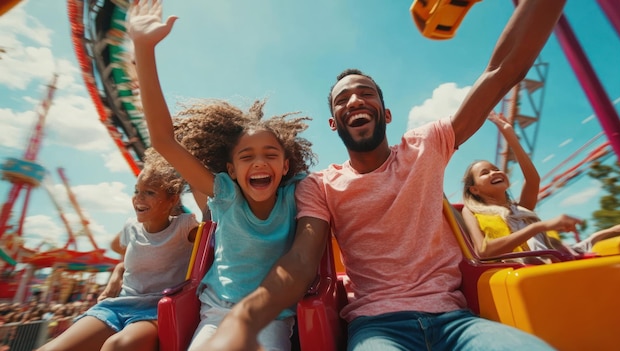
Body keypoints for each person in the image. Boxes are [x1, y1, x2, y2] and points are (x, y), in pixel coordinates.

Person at [199, 1, 568, 350]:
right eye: (343, 100)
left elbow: (504, 70)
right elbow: (300, 261)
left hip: (457, 321)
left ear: (386, 113)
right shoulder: (322, 186)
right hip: (378, 327)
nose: (355, 101)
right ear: (333, 123)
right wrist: (245, 319)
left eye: (366, 93)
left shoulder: (427, 145)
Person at [127, 2, 317, 350]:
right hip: (215, 313)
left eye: (270, 155)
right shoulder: (224, 192)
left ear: (286, 166)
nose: (259, 163)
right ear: (231, 169)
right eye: (247, 157)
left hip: (271, 317)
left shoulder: (297, 193)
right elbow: (163, 140)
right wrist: (143, 47)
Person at [37, 148, 199, 351]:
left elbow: (212, 243)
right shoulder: (130, 227)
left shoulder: (185, 227)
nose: (139, 198)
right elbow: (122, 251)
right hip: (119, 305)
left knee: (117, 346)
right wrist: (119, 271)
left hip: (156, 309)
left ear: (172, 200)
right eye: (136, 191)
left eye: (149, 193)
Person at [461, 113, 620, 258]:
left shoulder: (521, 210)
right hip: (514, 273)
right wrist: (538, 227)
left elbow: (533, 180)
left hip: (548, 264)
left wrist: (510, 136)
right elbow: (483, 251)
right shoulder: (470, 212)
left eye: (496, 169)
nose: (494, 173)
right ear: (474, 189)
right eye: (485, 173)